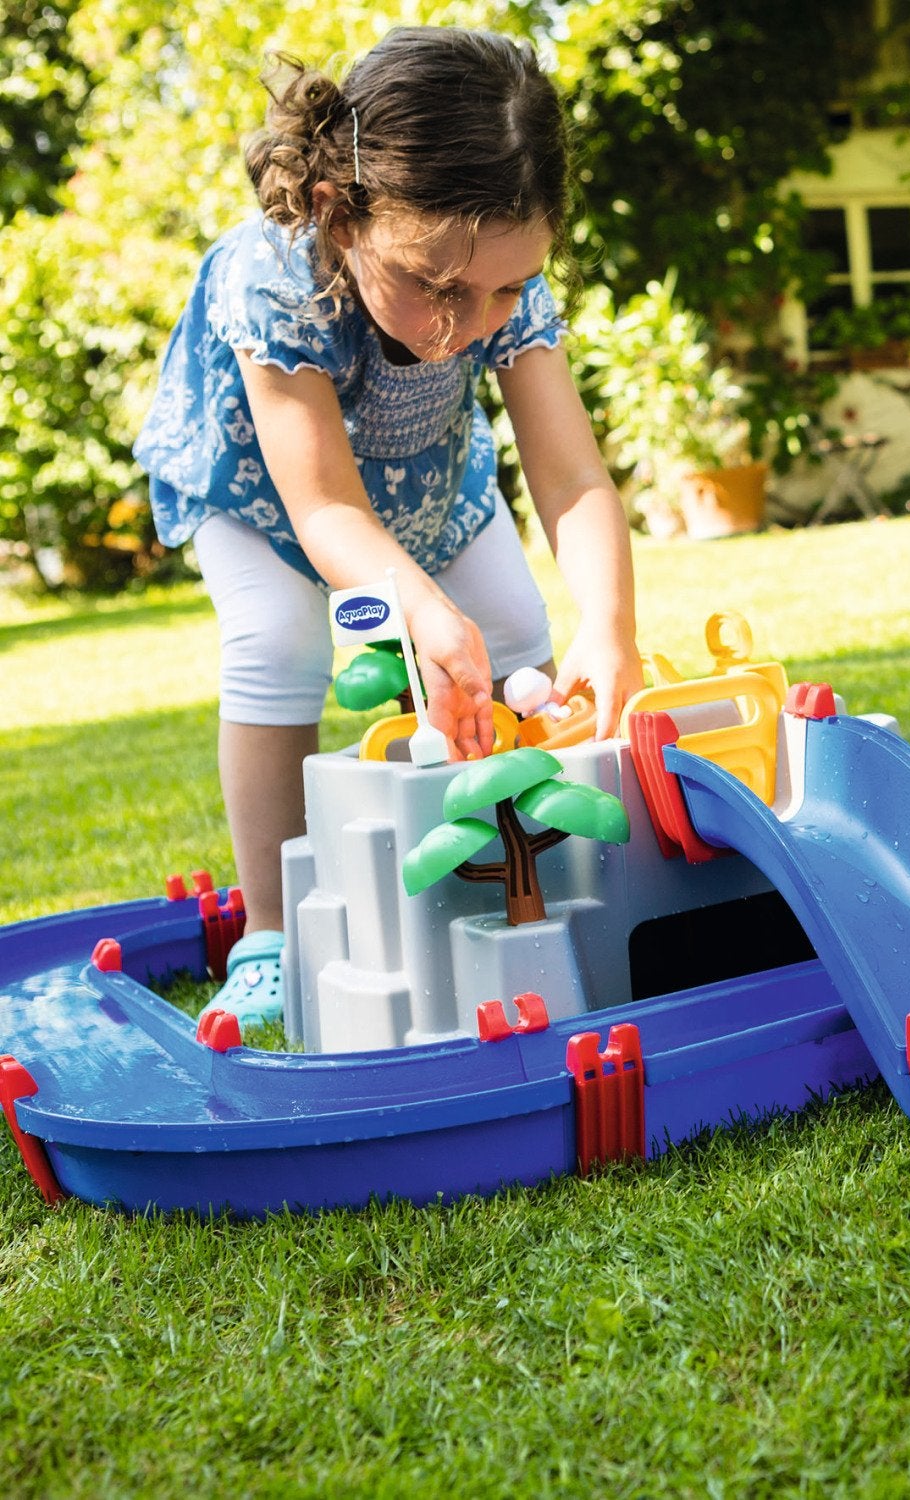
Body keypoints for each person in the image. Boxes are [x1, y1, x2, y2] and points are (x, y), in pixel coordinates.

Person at [135, 28, 642, 1024]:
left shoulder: (504, 284)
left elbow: (570, 472)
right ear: (337, 210)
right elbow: (321, 504)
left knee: (513, 635)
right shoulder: (272, 279)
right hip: (267, 509)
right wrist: (416, 610)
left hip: (430, 494)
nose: (472, 322)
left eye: (504, 287)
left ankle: (517, 881)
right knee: (277, 642)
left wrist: (610, 623)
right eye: (438, 287)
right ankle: (271, 929)